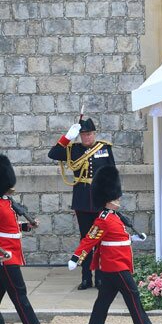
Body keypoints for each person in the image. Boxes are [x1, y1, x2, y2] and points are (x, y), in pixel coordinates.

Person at [67, 166, 161, 324]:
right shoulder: (103, 219)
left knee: (104, 299)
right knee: (132, 293)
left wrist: (133, 238)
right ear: (109, 198)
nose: (119, 198)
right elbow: (89, 239)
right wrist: (76, 258)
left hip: (116, 264)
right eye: (116, 196)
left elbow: (118, 238)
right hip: (114, 264)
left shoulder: (114, 216)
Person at [48, 117, 115, 289]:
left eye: (90, 134)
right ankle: (86, 277)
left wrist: (113, 198)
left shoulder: (104, 148)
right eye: (83, 134)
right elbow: (53, 154)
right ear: (80, 135)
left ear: (94, 134)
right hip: (82, 200)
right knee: (85, 239)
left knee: (100, 239)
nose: (87, 137)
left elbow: (112, 173)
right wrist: (67, 137)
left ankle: (100, 277)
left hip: (101, 200)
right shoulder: (73, 149)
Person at [0, 155, 54, 324]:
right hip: (5, 255)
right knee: (19, 291)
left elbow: (10, 226)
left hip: (12, 253)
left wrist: (26, 226)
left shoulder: (6, 201)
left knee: (13, 292)